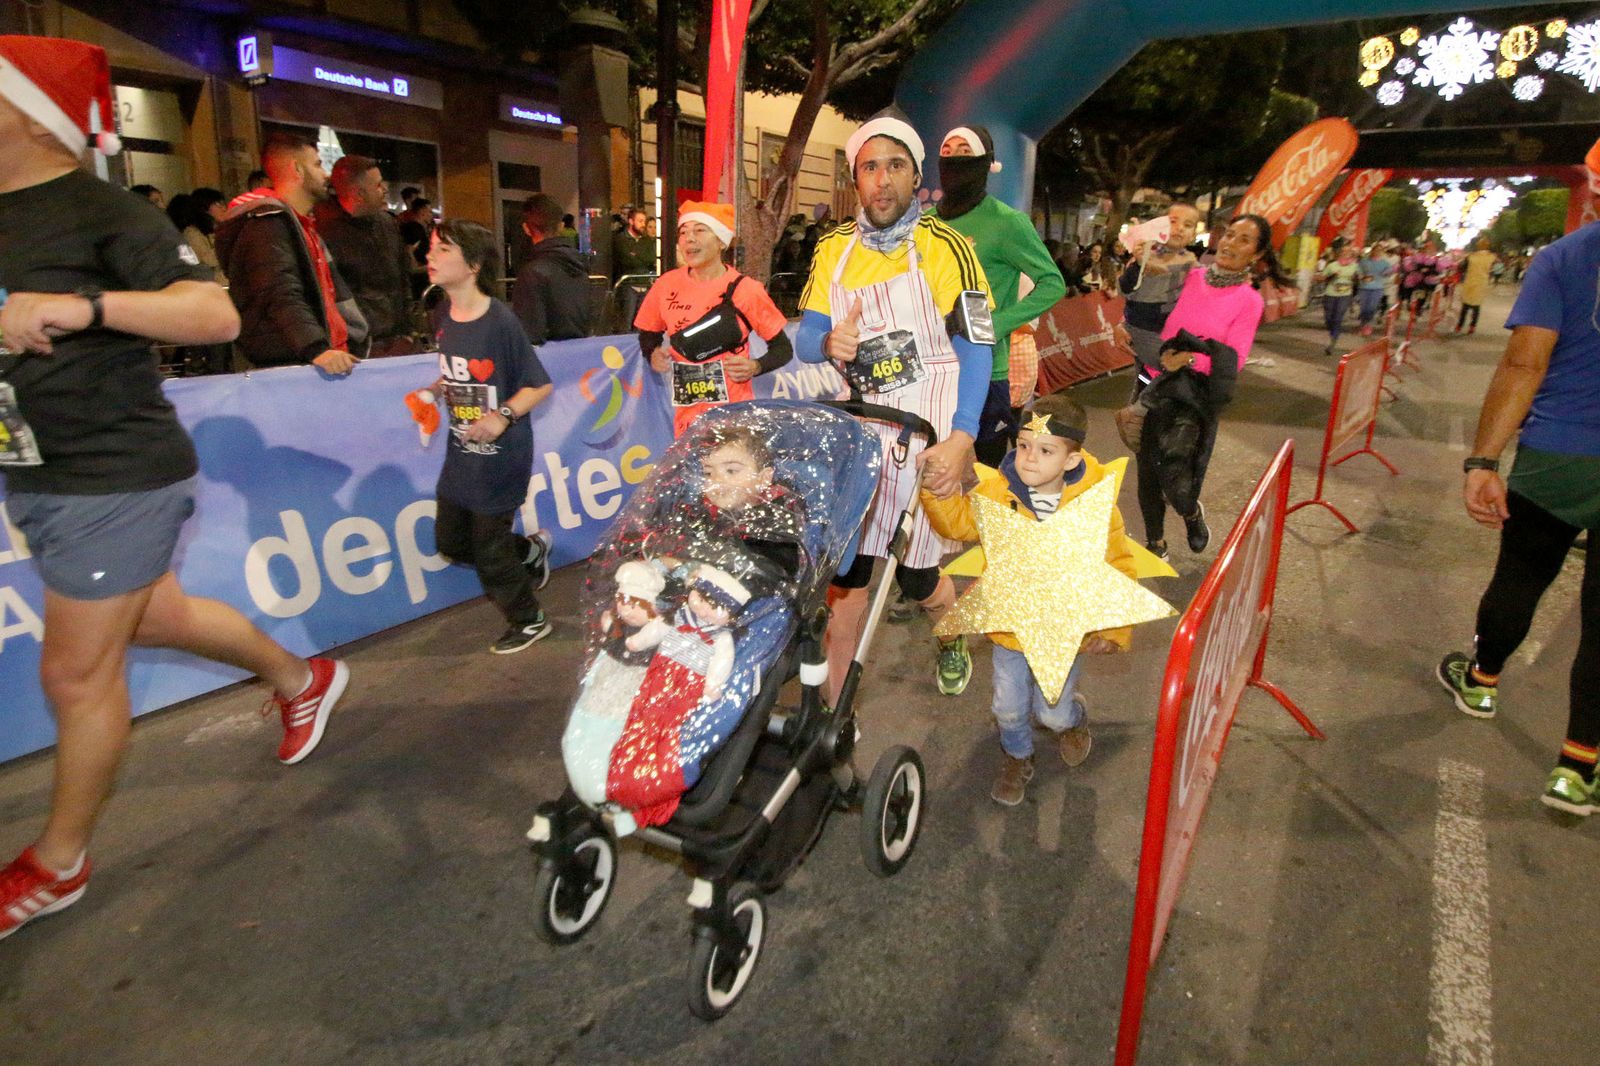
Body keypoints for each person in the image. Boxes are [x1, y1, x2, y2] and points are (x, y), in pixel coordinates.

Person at [0, 36, 349, 942]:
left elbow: (215, 312)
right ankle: (300, 675)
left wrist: (82, 308)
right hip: (37, 469)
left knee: (74, 673)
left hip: (111, 475)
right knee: (157, 614)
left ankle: (57, 863)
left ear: (23, 111)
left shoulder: (98, 211)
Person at [794, 111, 994, 700]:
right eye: (869, 168)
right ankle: (830, 711)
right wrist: (829, 341)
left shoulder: (949, 247)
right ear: (856, 179)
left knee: (915, 574)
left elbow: (978, 342)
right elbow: (806, 340)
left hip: (928, 421)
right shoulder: (834, 248)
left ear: (916, 178)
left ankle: (950, 634)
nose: (882, 180)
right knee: (849, 572)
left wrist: (961, 436)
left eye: (895, 166)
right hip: (860, 424)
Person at [1437, 187, 1600, 815]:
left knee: (1522, 575)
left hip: (1559, 454)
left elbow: (1525, 362)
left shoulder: (1564, 258)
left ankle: (1480, 683)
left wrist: (1483, 460)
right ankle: (1578, 766)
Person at [921, 394, 1135, 804]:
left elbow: (1118, 565)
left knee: (1052, 713)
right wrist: (937, 492)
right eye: (1023, 446)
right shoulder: (998, 492)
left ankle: (1073, 720)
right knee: (1008, 710)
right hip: (1011, 633)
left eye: (1045, 450)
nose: (1029, 459)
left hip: (1063, 634)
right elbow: (957, 522)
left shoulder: (1094, 505)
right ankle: (1017, 756)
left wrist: (1112, 628)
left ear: (1072, 460)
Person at [419, 219, 555, 654]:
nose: (430, 257)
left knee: (489, 551)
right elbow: (458, 373)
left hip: (501, 456)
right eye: (432, 249)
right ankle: (528, 554)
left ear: (473, 265)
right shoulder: (441, 314)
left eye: (443, 250)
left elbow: (539, 385)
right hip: (460, 452)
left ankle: (529, 619)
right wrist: (434, 390)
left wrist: (502, 416)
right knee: (451, 542)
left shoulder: (501, 321)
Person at [1135, 213, 1290, 560]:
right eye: (1230, 235)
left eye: (1243, 240)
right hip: (1154, 382)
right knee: (1148, 470)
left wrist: (1188, 360)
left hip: (1194, 397)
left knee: (1177, 476)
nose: (1231, 244)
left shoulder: (1250, 301)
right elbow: (1146, 308)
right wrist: (1125, 325)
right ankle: (1155, 544)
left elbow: (1231, 360)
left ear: (1257, 253)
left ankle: (1190, 512)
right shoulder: (1190, 277)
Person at [936, 124, 1067, 467]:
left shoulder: (1008, 222)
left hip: (985, 369)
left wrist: (998, 323)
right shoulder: (927, 221)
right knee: (936, 476)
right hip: (933, 369)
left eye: (965, 153)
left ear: (985, 162)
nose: (953, 161)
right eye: (947, 153)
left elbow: (1052, 282)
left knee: (985, 478)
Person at [634, 201, 792, 437]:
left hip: (733, 417)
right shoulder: (666, 284)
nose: (689, 238)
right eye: (684, 232)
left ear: (721, 241)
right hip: (686, 421)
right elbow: (648, 333)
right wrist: (653, 352)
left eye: (699, 230)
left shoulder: (746, 290)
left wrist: (756, 366)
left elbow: (783, 349)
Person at [215, 133, 365, 372]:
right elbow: (278, 290)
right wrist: (316, 349)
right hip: (297, 365)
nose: (325, 174)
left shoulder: (299, 224)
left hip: (317, 359)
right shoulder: (268, 223)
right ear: (297, 169)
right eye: (317, 164)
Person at [314, 154, 415, 356]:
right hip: (359, 347)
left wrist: (408, 330)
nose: (385, 189)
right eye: (378, 185)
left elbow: (403, 277)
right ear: (359, 194)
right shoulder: (325, 232)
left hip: (397, 340)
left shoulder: (387, 224)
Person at [1117, 202, 1200, 396]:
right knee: (1168, 370)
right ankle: (1137, 412)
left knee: (1150, 381)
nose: (1179, 228)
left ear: (1194, 234)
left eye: (1188, 225)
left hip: (1173, 332)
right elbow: (1124, 290)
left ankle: (1138, 411)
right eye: (1173, 221)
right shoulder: (1146, 253)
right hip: (1144, 329)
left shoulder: (1192, 262)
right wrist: (1139, 265)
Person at [511, 193, 595, 345]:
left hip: (549, 362)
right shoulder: (579, 265)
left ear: (526, 229)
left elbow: (530, 334)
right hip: (579, 355)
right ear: (561, 225)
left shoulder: (532, 273)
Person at [1318, 242, 1360, 354]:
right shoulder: (1332, 265)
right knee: (1328, 318)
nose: (1346, 253)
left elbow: (1361, 278)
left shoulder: (1355, 266)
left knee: (1338, 317)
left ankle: (1333, 341)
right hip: (1330, 294)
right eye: (1344, 251)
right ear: (1339, 253)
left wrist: (1356, 278)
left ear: (1351, 254)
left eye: (1348, 252)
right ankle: (1332, 333)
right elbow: (1321, 278)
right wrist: (1332, 276)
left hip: (1345, 295)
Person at [1456, 238, 1496, 335]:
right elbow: (1492, 269)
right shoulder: (1492, 257)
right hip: (1482, 283)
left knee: (1465, 306)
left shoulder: (1471, 256)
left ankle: (1459, 325)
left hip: (1470, 282)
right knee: (1476, 306)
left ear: (1478, 246)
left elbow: (1461, 268)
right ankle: (1472, 326)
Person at [1355, 243, 1392, 337]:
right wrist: (1361, 276)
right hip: (1364, 287)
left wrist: (1387, 273)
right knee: (1364, 308)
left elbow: (1389, 272)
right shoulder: (1364, 261)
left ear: (1382, 252)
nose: (1377, 252)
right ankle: (1363, 324)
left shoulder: (1385, 263)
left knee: (1372, 307)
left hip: (1377, 288)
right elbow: (1358, 270)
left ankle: (1368, 325)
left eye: (1380, 250)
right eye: (1376, 250)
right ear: (1372, 251)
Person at [612, 207, 655, 281]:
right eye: (640, 221)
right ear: (631, 221)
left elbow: (650, 259)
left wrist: (634, 254)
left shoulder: (647, 240)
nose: (643, 224)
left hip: (645, 282)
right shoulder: (620, 239)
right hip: (626, 283)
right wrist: (641, 256)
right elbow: (627, 262)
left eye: (644, 221)